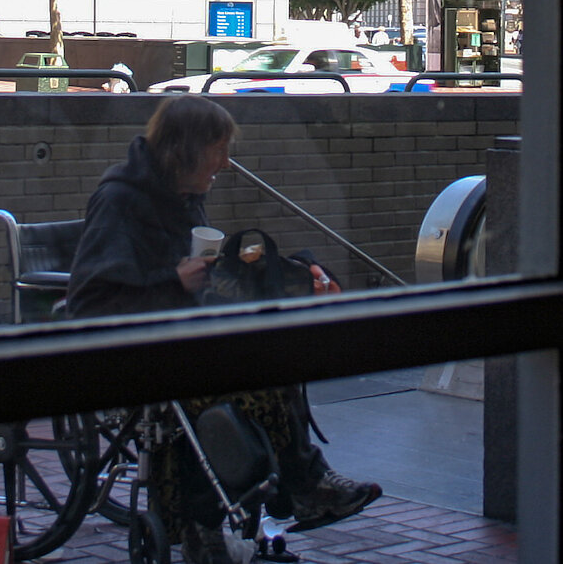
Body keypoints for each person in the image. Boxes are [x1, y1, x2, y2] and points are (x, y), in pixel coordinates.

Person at [67, 97, 380, 563]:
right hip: (131, 350)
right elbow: (89, 302)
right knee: (232, 385)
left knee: (269, 355)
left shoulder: (182, 197)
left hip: (181, 337)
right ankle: (284, 492)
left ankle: (283, 490)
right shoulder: (120, 201)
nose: (226, 163)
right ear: (186, 150)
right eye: (218, 150)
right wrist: (173, 282)